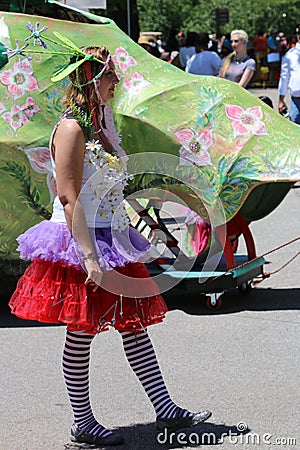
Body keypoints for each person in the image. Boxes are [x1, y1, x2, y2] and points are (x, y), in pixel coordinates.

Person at [8, 44, 212, 447]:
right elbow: (69, 198)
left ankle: (166, 409)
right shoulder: (71, 128)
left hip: (111, 236)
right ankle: (82, 423)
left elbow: (107, 185)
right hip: (81, 241)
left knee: (133, 327)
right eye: (109, 76)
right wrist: (89, 256)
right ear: (90, 79)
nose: (116, 82)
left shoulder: (101, 124)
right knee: (81, 333)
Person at [278, 24, 300, 125]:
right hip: (297, 99)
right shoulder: (290, 55)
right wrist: (281, 99)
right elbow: (284, 77)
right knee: (295, 128)